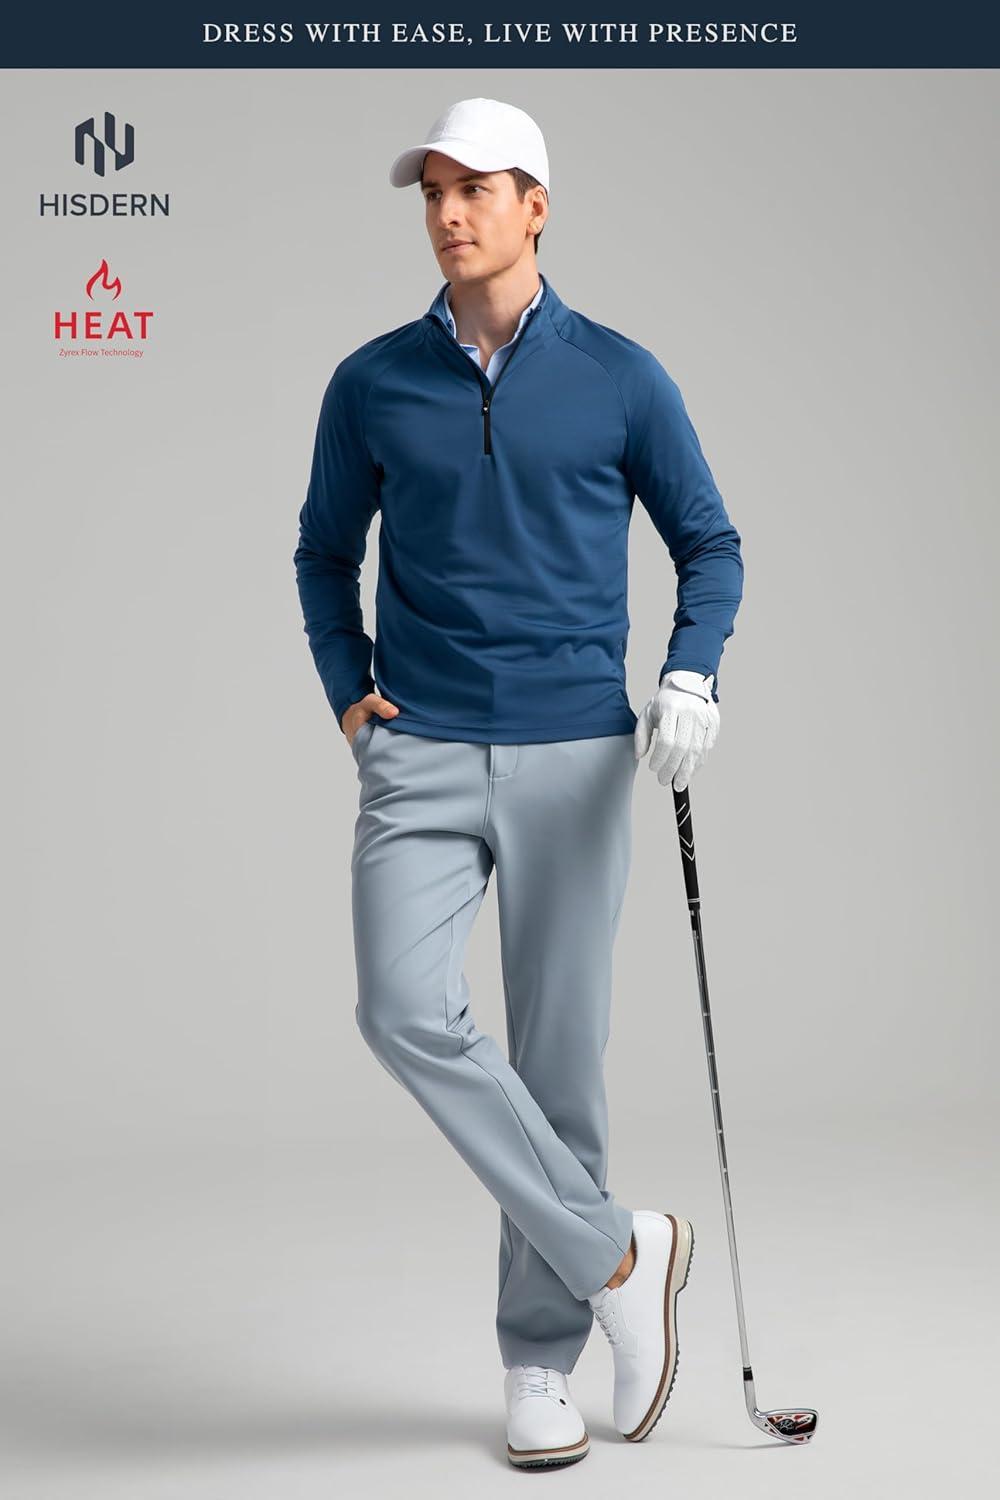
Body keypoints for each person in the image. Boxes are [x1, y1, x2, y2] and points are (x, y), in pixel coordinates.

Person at [293, 96, 743, 1470]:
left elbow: (710, 543)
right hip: (420, 748)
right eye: (432, 190)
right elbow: (322, 552)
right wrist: (348, 687)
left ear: (535, 206)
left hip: (573, 755)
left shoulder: (619, 376)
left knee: (558, 1063)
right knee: (401, 1007)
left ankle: (542, 1360)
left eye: (475, 188)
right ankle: (623, 1257)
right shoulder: (373, 381)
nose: (447, 212)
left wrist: (690, 675)